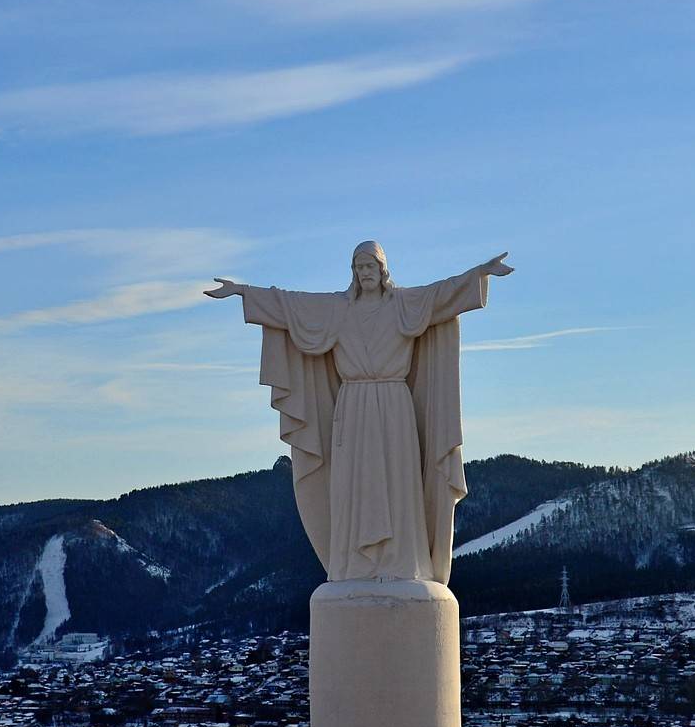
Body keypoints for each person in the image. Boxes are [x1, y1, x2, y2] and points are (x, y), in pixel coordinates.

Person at [205, 241, 512, 583]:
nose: (365, 273)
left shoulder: (405, 304)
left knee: (398, 483)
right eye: (359, 267)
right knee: (353, 485)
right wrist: (243, 291)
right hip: (352, 406)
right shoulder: (338, 309)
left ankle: (403, 562)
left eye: (370, 266)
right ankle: (355, 565)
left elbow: (443, 294)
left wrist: (480, 273)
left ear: (382, 270)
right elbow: (290, 305)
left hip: (395, 406)